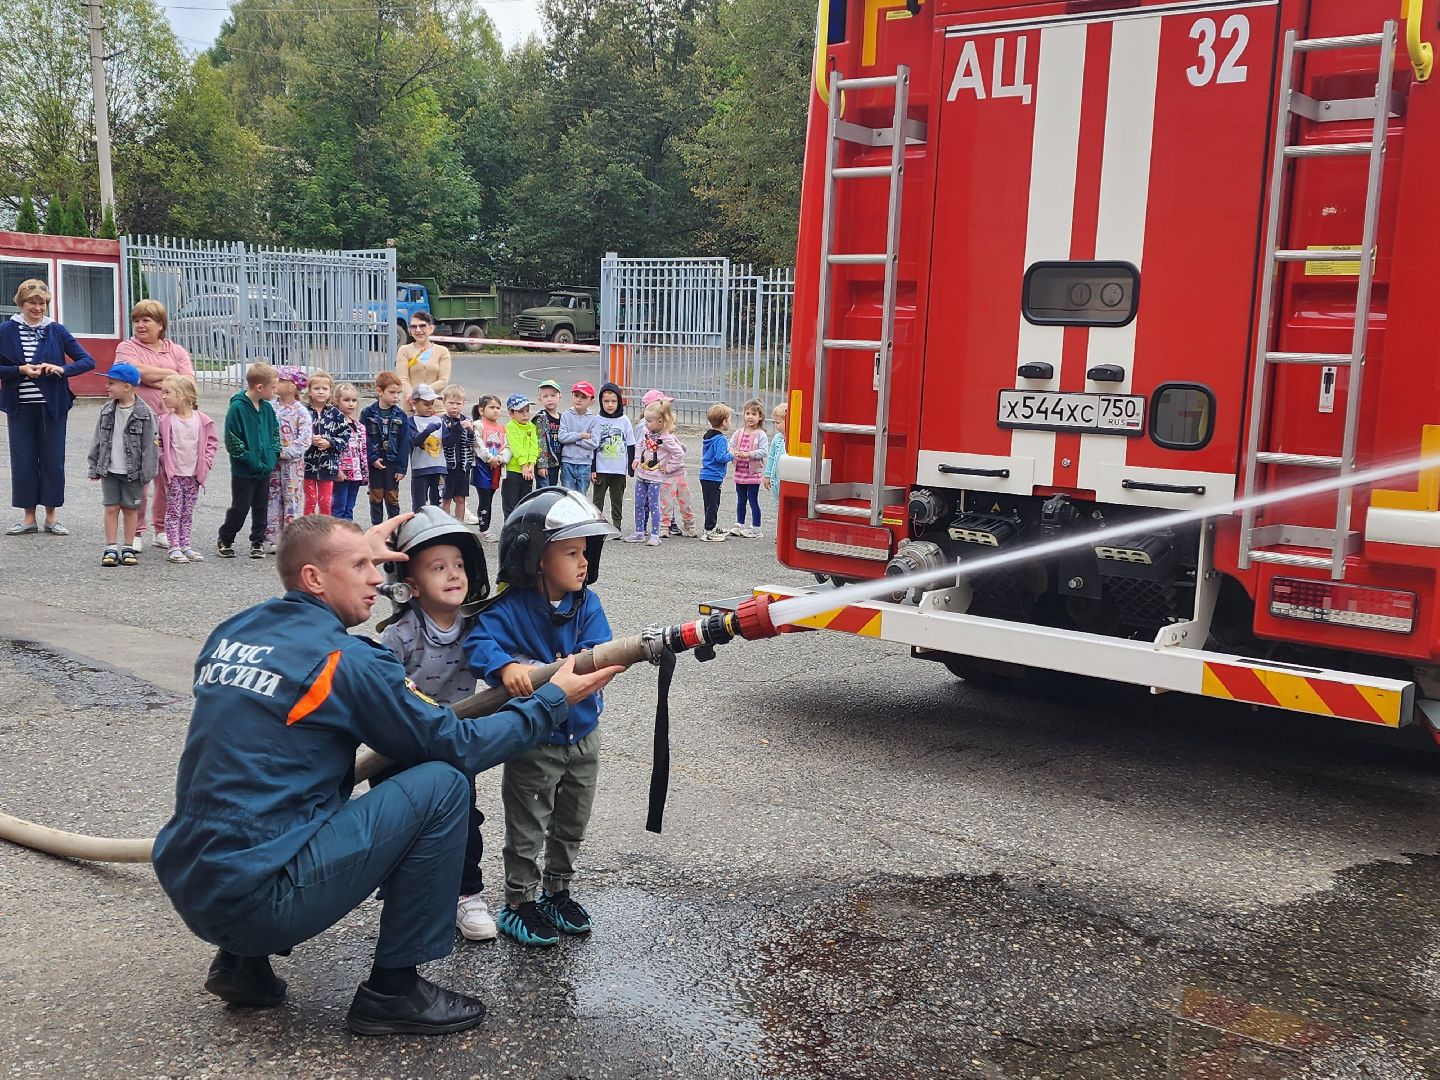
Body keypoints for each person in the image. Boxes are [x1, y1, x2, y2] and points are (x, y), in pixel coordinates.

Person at [151, 513, 621, 1035]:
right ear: (314, 578)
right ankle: (393, 991)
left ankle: (242, 964)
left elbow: (297, 600)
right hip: (261, 898)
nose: (378, 578)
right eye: (360, 567)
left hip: (191, 876)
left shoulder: (236, 632)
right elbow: (457, 744)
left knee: (274, 788)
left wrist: (352, 554)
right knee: (441, 783)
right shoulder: (349, 662)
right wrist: (551, 701)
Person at [466, 489, 618, 947]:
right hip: (535, 740)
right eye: (570, 552)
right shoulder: (509, 607)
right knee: (529, 822)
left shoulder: (586, 604)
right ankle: (519, 901)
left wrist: (595, 670)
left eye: (586, 552)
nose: (583, 561)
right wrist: (507, 667)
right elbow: (477, 641)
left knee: (572, 820)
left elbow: (602, 655)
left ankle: (557, 891)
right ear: (534, 557)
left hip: (582, 735)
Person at [377, 508, 496, 942]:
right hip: (403, 748)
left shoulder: (476, 627)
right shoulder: (400, 634)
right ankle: (402, 895)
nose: (454, 575)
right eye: (438, 567)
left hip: (453, 744)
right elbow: (381, 690)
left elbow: (497, 661)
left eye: (459, 565)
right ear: (410, 585)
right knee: (404, 823)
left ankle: (467, 895)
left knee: (466, 819)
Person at [0, 278, 95, 536]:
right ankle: (28, 517)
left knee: (53, 461)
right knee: (23, 460)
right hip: (20, 407)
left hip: (53, 406)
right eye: (32, 302)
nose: (38, 307)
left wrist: (61, 369)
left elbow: (87, 361)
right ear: (21, 303)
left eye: (42, 303)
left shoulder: (56, 330)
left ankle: (52, 517)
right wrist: (18, 370)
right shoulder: (6, 330)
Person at [116, 298, 195, 551]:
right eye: (136, 320)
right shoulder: (127, 347)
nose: (140, 325)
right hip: (137, 422)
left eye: (146, 320)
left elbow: (188, 385)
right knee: (140, 478)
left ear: (161, 325)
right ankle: (136, 531)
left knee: (168, 477)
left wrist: (150, 378)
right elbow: (131, 373)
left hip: (173, 425)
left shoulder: (177, 350)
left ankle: (161, 528)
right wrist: (171, 377)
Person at [87, 362, 159, 567]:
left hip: (133, 472)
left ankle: (128, 547)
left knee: (130, 509)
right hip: (109, 469)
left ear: (127, 386)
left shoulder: (145, 414)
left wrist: (147, 473)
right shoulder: (106, 410)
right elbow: (98, 439)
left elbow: (151, 446)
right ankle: (110, 547)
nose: (107, 387)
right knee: (110, 508)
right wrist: (94, 466)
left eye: (111, 383)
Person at [217, 362, 281, 559]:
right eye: (273, 387)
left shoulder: (267, 409)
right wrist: (249, 459)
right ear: (259, 387)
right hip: (244, 470)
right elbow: (232, 440)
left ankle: (257, 540)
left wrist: (273, 455)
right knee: (241, 506)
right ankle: (226, 537)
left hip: (264, 467)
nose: (275, 391)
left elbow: (275, 434)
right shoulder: (237, 408)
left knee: (262, 505)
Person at [156, 374, 217, 564]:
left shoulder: (202, 420)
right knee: (174, 511)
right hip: (174, 475)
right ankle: (174, 547)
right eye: (162, 392)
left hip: (193, 475)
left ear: (182, 395)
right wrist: (164, 459)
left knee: (187, 511)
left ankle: (185, 545)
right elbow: (158, 445)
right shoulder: (165, 420)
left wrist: (206, 463)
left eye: (167, 392)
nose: (163, 397)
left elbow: (211, 444)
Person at [265, 367, 313, 554]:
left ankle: (291, 538)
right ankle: (272, 537)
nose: (276, 382)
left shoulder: (301, 412)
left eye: (281, 379)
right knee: (272, 497)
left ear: (292, 386)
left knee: (291, 498)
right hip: (272, 463)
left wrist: (287, 452)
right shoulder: (270, 406)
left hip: (292, 465)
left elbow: (305, 438)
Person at [623, 400, 673, 547]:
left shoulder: (666, 438)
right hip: (642, 474)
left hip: (655, 478)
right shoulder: (646, 432)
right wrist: (636, 458)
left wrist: (668, 466)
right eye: (645, 420)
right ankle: (639, 532)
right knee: (639, 503)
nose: (646, 424)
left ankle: (655, 535)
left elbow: (678, 453)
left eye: (650, 421)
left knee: (653, 505)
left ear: (660, 421)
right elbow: (639, 445)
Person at [363, 371, 410, 524]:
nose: (396, 396)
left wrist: (402, 468)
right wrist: (372, 458)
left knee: (392, 496)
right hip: (375, 462)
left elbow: (404, 443)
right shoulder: (367, 413)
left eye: (398, 393)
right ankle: (377, 527)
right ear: (379, 391)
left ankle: (394, 528)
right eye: (392, 392)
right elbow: (364, 438)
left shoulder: (401, 415)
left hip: (392, 462)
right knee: (376, 495)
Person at [304, 371, 350, 517]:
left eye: (325, 389)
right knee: (310, 500)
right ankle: (307, 531)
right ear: (309, 391)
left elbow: (346, 436)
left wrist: (329, 442)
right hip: (306, 465)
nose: (321, 392)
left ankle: (325, 532)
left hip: (328, 466)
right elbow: (294, 434)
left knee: (325, 501)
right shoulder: (303, 411)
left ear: (330, 392)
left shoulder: (335, 414)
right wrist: (309, 440)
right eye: (317, 388)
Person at [590, 382, 634, 532]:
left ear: (619, 401)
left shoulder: (624, 420)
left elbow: (630, 444)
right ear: (601, 402)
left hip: (618, 470)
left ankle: (617, 525)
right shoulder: (597, 420)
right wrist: (593, 468)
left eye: (613, 401)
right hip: (601, 468)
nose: (609, 404)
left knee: (617, 499)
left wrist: (630, 467)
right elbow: (593, 446)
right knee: (597, 500)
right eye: (606, 401)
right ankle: (597, 525)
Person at [651, 396, 698, 538]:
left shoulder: (671, 438)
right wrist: (669, 468)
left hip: (680, 474)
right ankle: (664, 526)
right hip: (668, 475)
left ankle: (689, 524)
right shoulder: (662, 438)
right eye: (673, 424)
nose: (675, 427)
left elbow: (681, 451)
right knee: (666, 502)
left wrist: (680, 445)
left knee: (685, 500)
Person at [728, 397, 769, 538]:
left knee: (753, 499)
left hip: (753, 474)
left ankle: (756, 528)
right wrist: (734, 453)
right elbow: (730, 445)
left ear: (760, 417)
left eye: (754, 414)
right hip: (740, 472)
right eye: (748, 413)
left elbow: (764, 451)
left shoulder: (761, 434)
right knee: (740, 499)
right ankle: (739, 524)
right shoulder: (739, 432)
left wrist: (748, 454)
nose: (750, 417)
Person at [395, 312, 452, 410]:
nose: (418, 330)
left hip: (435, 408)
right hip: (411, 407)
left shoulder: (442, 352)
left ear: (431, 328)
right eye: (414, 327)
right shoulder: (404, 350)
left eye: (422, 326)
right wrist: (412, 396)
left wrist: (420, 393)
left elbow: (443, 381)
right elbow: (403, 379)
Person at [471, 395, 509, 542]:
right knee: (484, 498)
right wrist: (489, 458)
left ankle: (485, 526)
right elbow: (477, 444)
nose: (496, 411)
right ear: (482, 410)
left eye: (498, 408)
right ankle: (484, 528)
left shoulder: (501, 428)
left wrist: (500, 458)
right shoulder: (478, 425)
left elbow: (506, 446)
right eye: (492, 407)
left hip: (496, 467)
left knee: (490, 498)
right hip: (482, 466)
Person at [331, 383, 368, 522]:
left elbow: (362, 451)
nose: (351, 404)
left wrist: (364, 474)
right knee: (338, 506)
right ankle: (336, 536)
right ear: (337, 401)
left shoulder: (359, 426)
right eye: (346, 400)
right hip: (342, 473)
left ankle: (347, 535)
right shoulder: (334, 424)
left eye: (354, 400)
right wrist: (337, 469)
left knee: (349, 506)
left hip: (356, 473)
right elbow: (333, 449)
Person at [438, 384, 475, 523]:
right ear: (444, 402)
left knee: (461, 498)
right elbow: (445, 442)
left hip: (464, 465)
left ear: (463, 404)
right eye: (451, 403)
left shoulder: (466, 421)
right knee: (446, 497)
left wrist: (471, 431)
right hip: (447, 466)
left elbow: (472, 444)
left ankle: (459, 524)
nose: (455, 407)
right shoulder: (441, 421)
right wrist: (457, 428)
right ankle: (445, 524)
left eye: (458, 403)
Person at [408, 385, 447, 511]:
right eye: (426, 404)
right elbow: (415, 441)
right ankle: (420, 526)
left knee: (438, 503)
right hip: (421, 468)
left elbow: (447, 441)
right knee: (419, 504)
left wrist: (456, 429)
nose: (430, 407)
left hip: (438, 467)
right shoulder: (411, 421)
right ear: (414, 403)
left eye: (432, 403)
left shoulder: (439, 420)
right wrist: (427, 431)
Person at [699, 403, 733, 542]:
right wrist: (731, 455)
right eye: (729, 419)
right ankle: (709, 530)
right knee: (713, 504)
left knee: (709, 503)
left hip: (705, 474)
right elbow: (720, 457)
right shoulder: (720, 439)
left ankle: (710, 527)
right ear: (724, 422)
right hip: (714, 476)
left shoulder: (708, 436)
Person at [557, 381, 600, 491]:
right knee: (568, 494)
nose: (579, 399)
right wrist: (580, 436)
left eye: (583, 397)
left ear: (591, 401)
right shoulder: (566, 416)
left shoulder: (594, 420)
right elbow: (562, 437)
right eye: (576, 396)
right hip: (567, 461)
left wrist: (575, 441)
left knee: (581, 495)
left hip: (584, 463)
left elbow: (594, 442)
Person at [503, 394, 538, 520]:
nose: (525, 415)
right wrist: (523, 464)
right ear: (511, 413)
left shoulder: (532, 427)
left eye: (527, 411)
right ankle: (509, 533)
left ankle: (521, 532)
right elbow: (515, 446)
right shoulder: (510, 426)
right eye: (520, 411)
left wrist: (532, 464)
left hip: (528, 471)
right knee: (511, 505)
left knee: (525, 504)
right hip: (514, 471)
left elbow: (534, 446)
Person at [532, 379, 563, 488]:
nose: (549, 399)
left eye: (553, 395)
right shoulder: (541, 418)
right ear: (540, 399)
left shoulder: (562, 417)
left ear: (560, 396)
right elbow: (540, 442)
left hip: (556, 462)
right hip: (545, 463)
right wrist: (541, 465)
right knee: (543, 491)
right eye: (545, 396)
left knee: (552, 489)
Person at [762, 402, 787, 505]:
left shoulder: (794, 439)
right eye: (774, 423)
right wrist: (767, 475)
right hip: (776, 481)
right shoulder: (777, 438)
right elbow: (771, 457)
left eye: (778, 423)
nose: (776, 426)